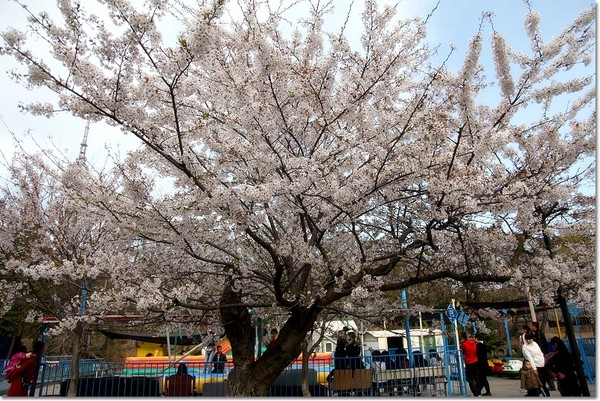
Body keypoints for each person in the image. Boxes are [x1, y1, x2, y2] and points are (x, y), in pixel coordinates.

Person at [531, 322, 555, 391]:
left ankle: (551, 385)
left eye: (532, 326)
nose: (531, 327)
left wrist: (541, 354)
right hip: (543, 353)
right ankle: (548, 384)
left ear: (535, 326)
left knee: (545, 369)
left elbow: (540, 344)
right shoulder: (538, 333)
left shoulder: (538, 334)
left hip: (543, 354)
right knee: (544, 369)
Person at [460, 332, 480, 397]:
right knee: (476, 377)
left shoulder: (464, 344)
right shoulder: (473, 342)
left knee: (470, 378)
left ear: (463, 338)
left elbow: (463, 351)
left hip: (469, 362)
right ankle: (479, 391)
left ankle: (475, 393)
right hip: (475, 360)